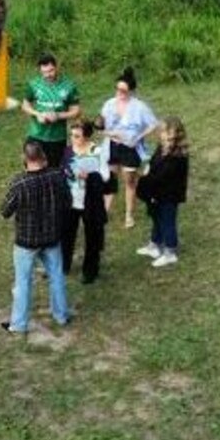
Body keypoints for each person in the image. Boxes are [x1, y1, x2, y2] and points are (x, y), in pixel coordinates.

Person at [0, 140, 72, 335]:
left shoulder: (19, 182)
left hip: (27, 241)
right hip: (52, 237)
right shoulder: (57, 176)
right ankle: (61, 315)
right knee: (56, 276)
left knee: (23, 282)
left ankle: (19, 324)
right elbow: (68, 202)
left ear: (24, 158)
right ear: (44, 157)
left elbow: (5, 211)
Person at [100, 67, 159, 229]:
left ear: (131, 91)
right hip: (112, 145)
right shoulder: (109, 104)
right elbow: (101, 125)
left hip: (130, 148)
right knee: (110, 180)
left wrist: (138, 137)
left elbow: (153, 124)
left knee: (129, 182)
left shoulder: (139, 107)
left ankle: (129, 215)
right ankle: (104, 211)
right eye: (117, 89)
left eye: (123, 91)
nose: (119, 93)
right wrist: (109, 133)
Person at [136, 116, 190, 268]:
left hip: (169, 194)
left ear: (174, 133)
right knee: (156, 218)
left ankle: (170, 252)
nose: (161, 134)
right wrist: (148, 171)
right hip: (157, 191)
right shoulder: (162, 146)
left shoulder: (178, 154)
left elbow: (164, 174)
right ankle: (155, 245)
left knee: (168, 222)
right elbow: (153, 163)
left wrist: (147, 174)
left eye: (165, 131)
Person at [61, 120, 109, 283]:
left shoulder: (98, 151)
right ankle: (63, 265)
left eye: (77, 136)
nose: (73, 139)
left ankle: (90, 271)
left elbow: (106, 176)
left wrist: (90, 176)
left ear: (87, 137)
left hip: (90, 201)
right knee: (66, 235)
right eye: (72, 135)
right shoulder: (68, 151)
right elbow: (62, 170)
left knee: (92, 237)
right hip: (70, 200)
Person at [21, 53, 80, 170]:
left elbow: (76, 111)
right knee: (31, 167)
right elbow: (25, 105)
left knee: (54, 170)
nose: (48, 75)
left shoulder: (69, 86)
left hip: (57, 138)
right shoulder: (34, 84)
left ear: (57, 67)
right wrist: (37, 114)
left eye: (51, 71)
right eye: (44, 72)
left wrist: (58, 116)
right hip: (36, 134)